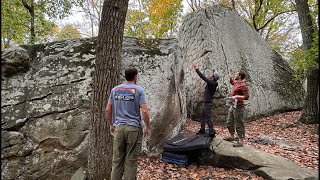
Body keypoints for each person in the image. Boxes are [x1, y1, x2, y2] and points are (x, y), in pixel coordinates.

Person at [106, 67, 152, 180]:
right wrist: (148, 127)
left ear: (125, 76)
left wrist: (111, 125)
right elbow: (144, 110)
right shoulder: (139, 90)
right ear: (136, 76)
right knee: (131, 161)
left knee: (117, 161)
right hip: (133, 129)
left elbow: (108, 109)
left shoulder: (115, 90)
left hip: (119, 128)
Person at [192, 63, 219, 138]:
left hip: (208, 103)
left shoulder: (211, 83)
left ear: (213, 77)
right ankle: (202, 130)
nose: (210, 74)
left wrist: (197, 69)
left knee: (208, 117)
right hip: (207, 102)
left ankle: (211, 132)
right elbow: (213, 76)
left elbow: (203, 77)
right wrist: (214, 70)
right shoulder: (213, 82)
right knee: (202, 116)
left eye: (212, 74)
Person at [223, 70, 249, 147]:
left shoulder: (243, 85)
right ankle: (231, 136)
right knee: (229, 121)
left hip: (239, 107)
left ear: (240, 76)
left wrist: (237, 96)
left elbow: (246, 97)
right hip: (233, 105)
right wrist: (230, 78)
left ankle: (241, 141)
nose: (235, 75)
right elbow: (233, 83)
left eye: (236, 74)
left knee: (239, 123)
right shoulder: (237, 83)